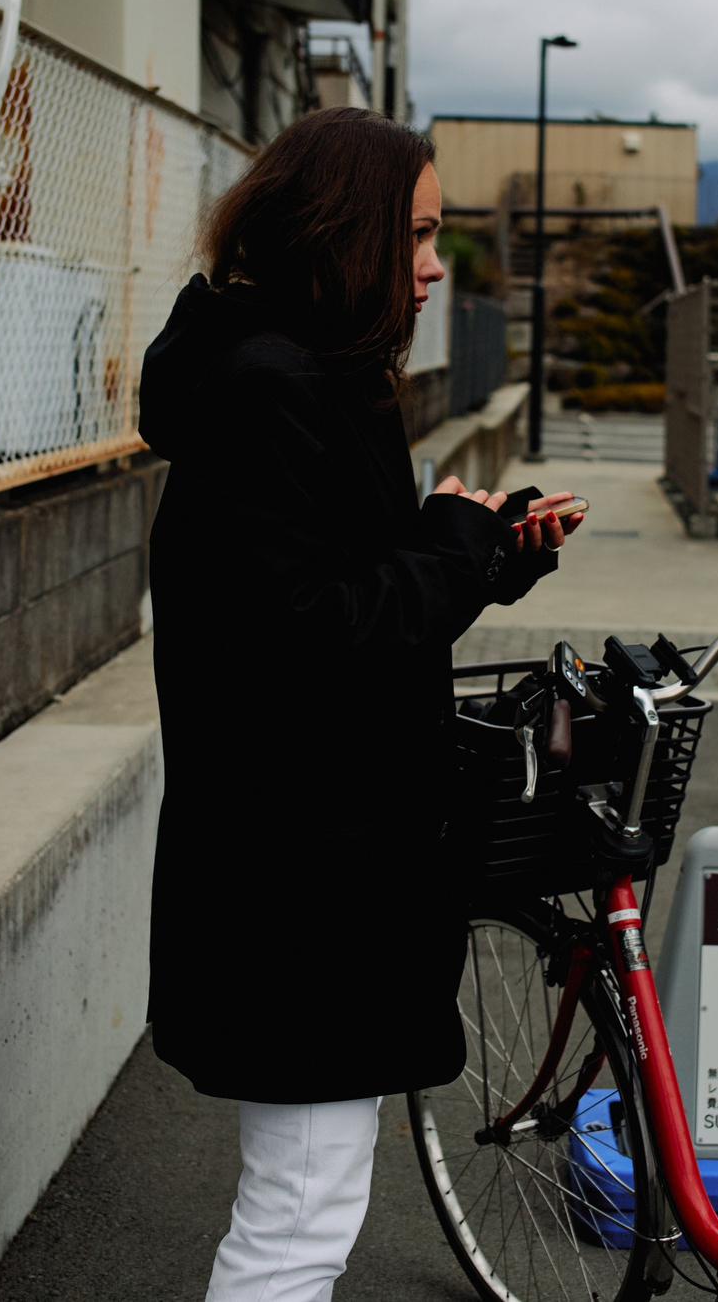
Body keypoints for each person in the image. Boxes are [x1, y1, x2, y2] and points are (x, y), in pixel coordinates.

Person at [139, 106, 578, 1302]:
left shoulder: (294, 378)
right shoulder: (272, 393)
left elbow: (356, 600)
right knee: (298, 1217)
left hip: (305, 869)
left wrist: (488, 552)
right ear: (346, 234)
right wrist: (452, 545)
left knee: (306, 1200)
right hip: (301, 882)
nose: (434, 266)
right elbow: (317, 635)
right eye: (418, 235)